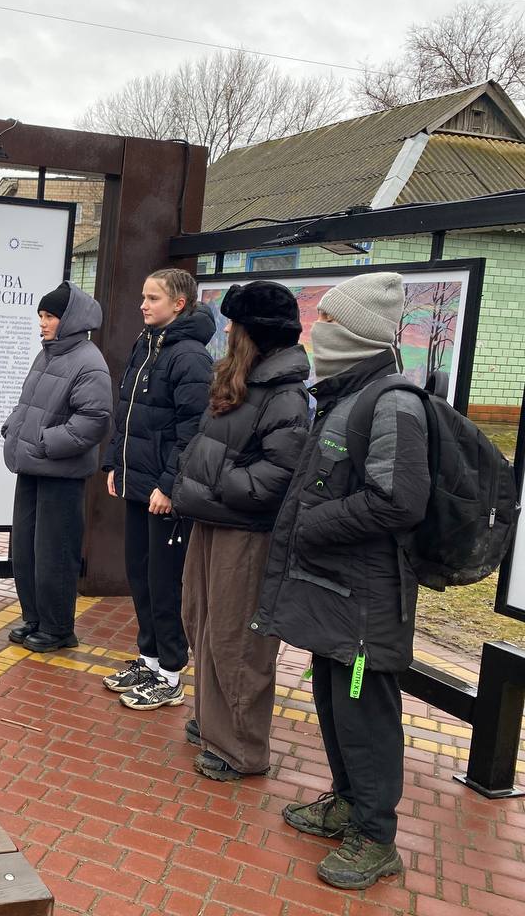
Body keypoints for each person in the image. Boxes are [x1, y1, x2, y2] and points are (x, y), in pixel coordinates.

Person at [252, 271, 426, 890]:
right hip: (335, 593)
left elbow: (398, 502)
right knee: (333, 701)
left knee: (365, 714)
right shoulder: (345, 395)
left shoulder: (393, 403)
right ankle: (348, 802)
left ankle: (376, 837)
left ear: (353, 334)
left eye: (325, 319)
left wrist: (313, 525)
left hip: (367, 602)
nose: (313, 329)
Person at [172, 281, 310, 781]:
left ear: (255, 333)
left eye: (236, 324)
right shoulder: (242, 380)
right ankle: (212, 721)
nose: (227, 331)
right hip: (213, 519)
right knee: (201, 621)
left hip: (245, 534)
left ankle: (241, 748)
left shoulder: (285, 394)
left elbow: (278, 475)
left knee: (236, 640)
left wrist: (215, 480)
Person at [102, 268, 213, 710]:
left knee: (164, 581)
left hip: (162, 492)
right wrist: (115, 463)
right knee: (140, 576)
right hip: (137, 482)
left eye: (152, 298)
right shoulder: (145, 344)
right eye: (143, 297)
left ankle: (171, 671)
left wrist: (169, 485)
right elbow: (126, 411)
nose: (143, 305)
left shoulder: (190, 358)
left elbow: (193, 430)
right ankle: (149, 658)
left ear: (179, 304)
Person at [2, 282, 112, 652]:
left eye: (49, 316)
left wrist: (47, 444)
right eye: (41, 316)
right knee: (27, 548)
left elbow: (94, 420)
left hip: (59, 474)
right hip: (32, 467)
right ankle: (35, 617)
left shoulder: (88, 361)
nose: (42, 323)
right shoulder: (48, 354)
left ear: (70, 320)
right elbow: (28, 402)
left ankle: (58, 627)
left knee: (54, 552)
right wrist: (13, 427)